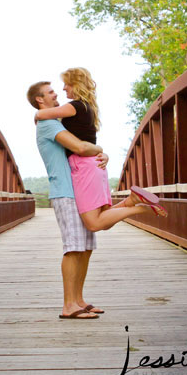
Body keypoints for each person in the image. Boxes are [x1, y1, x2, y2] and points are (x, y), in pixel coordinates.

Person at [27, 81, 160, 319]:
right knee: (73, 249)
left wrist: (101, 153)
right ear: (40, 100)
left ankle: (78, 300)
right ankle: (69, 306)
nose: (56, 93)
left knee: (85, 248)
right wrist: (100, 149)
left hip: (77, 190)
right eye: (50, 92)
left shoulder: (55, 121)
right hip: (65, 192)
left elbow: (82, 149)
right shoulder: (47, 124)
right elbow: (79, 147)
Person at [34, 68, 167, 232]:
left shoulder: (73, 106)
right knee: (103, 217)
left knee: (94, 223)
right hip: (94, 165)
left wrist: (37, 115)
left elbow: (41, 115)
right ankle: (131, 201)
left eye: (66, 84)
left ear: (75, 84)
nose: (63, 89)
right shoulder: (87, 107)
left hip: (83, 167)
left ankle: (139, 209)